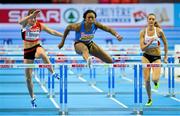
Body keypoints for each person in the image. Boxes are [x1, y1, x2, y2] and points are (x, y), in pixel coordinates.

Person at [18, 9, 63, 108]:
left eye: (35, 17)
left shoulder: (39, 25)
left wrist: (63, 36)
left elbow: (52, 31)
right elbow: (20, 21)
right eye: (32, 17)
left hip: (37, 47)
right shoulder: (25, 24)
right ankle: (32, 97)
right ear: (28, 17)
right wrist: (31, 15)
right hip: (27, 52)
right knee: (28, 78)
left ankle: (53, 72)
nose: (33, 19)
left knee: (42, 53)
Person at [58, 9, 122, 67]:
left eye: (92, 18)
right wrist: (62, 42)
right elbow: (67, 28)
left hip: (90, 43)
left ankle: (89, 59)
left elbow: (109, 29)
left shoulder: (96, 24)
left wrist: (117, 35)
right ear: (85, 19)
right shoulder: (78, 26)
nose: (91, 19)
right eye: (89, 17)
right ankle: (88, 61)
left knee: (109, 60)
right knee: (84, 49)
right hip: (78, 44)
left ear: (95, 19)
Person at [139, 13, 168, 106]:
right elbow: (142, 48)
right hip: (146, 56)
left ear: (155, 21)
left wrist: (166, 56)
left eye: (153, 19)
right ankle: (149, 99)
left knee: (154, 79)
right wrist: (149, 42)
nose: (151, 20)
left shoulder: (159, 31)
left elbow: (166, 44)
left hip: (156, 57)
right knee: (146, 80)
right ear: (147, 20)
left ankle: (156, 82)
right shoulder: (143, 32)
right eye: (150, 19)